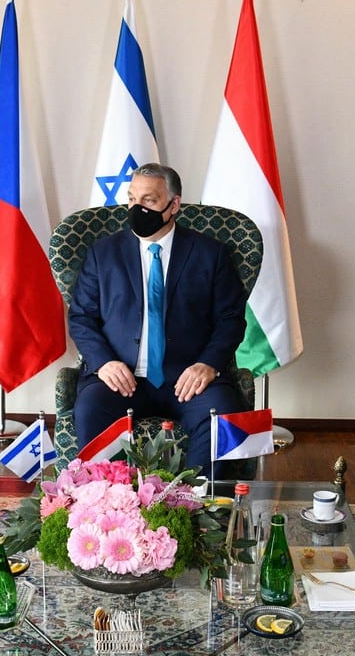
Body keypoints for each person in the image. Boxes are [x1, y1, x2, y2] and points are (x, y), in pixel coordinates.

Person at [69, 163, 247, 472]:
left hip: (188, 378)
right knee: (91, 407)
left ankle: (202, 508)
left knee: (223, 416)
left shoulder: (210, 254)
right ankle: (109, 508)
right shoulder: (103, 253)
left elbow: (231, 319)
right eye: (132, 199)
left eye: (149, 201)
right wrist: (103, 362)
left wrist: (208, 364)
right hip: (121, 378)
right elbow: (81, 317)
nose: (137, 208)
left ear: (173, 204)